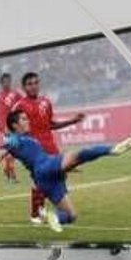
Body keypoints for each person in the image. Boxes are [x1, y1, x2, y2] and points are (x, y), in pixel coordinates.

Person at [0, 107, 131, 233]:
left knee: (71, 216)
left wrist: (69, 168)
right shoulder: (14, 139)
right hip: (45, 168)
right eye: (24, 119)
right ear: (15, 125)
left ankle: (52, 217)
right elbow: (0, 155)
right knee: (80, 154)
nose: (28, 121)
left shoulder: (28, 138)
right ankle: (114, 150)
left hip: (46, 179)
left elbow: (34, 157)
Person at [15, 71, 85, 223]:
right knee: (41, 181)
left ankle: (50, 212)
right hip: (36, 151)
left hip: (51, 147)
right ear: (23, 87)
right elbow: (15, 131)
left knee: (59, 177)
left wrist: (72, 121)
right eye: (29, 84)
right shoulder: (20, 106)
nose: (33, 86)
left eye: (36, 83)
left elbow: (50, 124)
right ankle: (36, 214)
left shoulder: (45, 102)